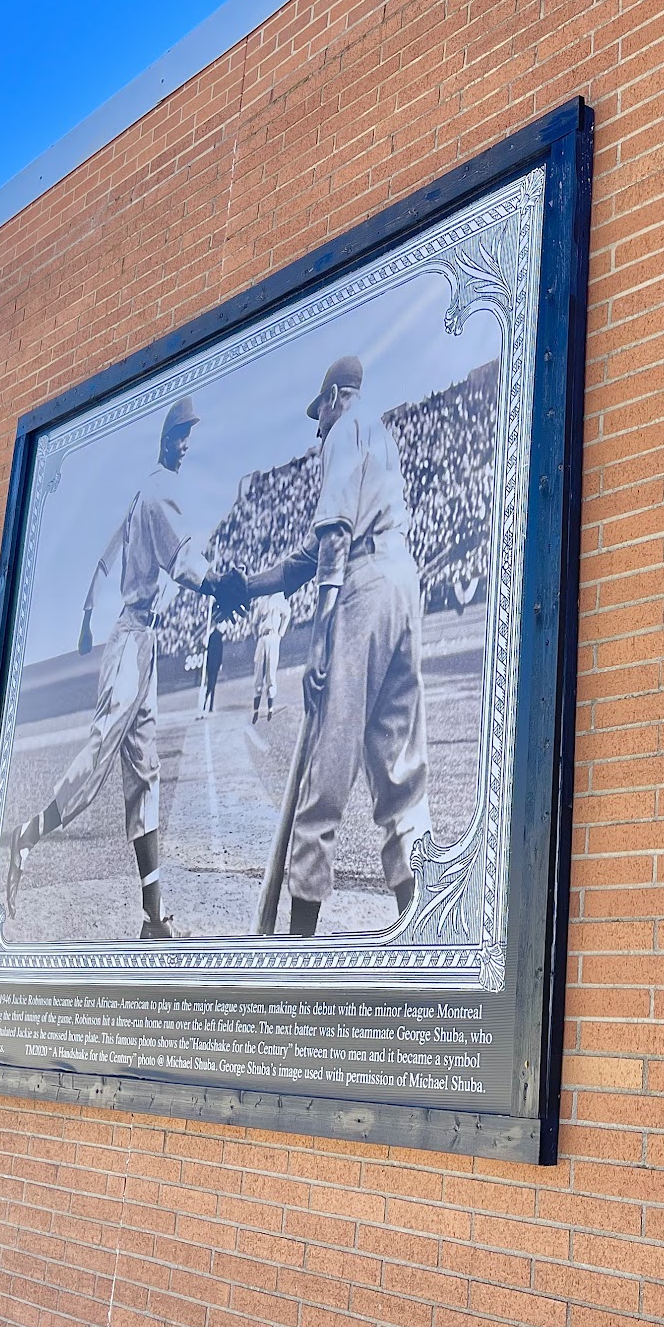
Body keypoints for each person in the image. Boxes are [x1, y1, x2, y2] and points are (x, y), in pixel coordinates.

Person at [230, 356, 431, 938]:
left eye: (319, 412)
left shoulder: (345, 427)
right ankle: (421, 925)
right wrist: (247, 585)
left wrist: (318, 641)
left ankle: (299, 940)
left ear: (337, 396)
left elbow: (336, 537)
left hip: (363, 587)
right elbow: (308, 556)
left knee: (327, 766)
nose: (317, 428)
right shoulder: (381, 435)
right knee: (399, 772)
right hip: (401, 581)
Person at [2, 396, 214, 940]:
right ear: (165, 439)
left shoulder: (143, 492)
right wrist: (221, 585)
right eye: (181, 435)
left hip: (141, 641)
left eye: (189, 435)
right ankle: (24, 837)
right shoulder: (159, 492)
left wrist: (84, 617)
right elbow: (183, 566)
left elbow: (104, 557)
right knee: (99, 755)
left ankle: (153, 918)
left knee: (145, 774)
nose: (186, 445)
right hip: (131, 639)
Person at [251, 591, 291, 722]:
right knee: (258, 673)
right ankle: (256, 710)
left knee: (271, 674)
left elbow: (287, 614)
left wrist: (280, 633)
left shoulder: (279, 598)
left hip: (274, 637)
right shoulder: (261, 600)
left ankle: (270, 709)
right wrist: (256, 635)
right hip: (262, 637)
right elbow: (254, 622)